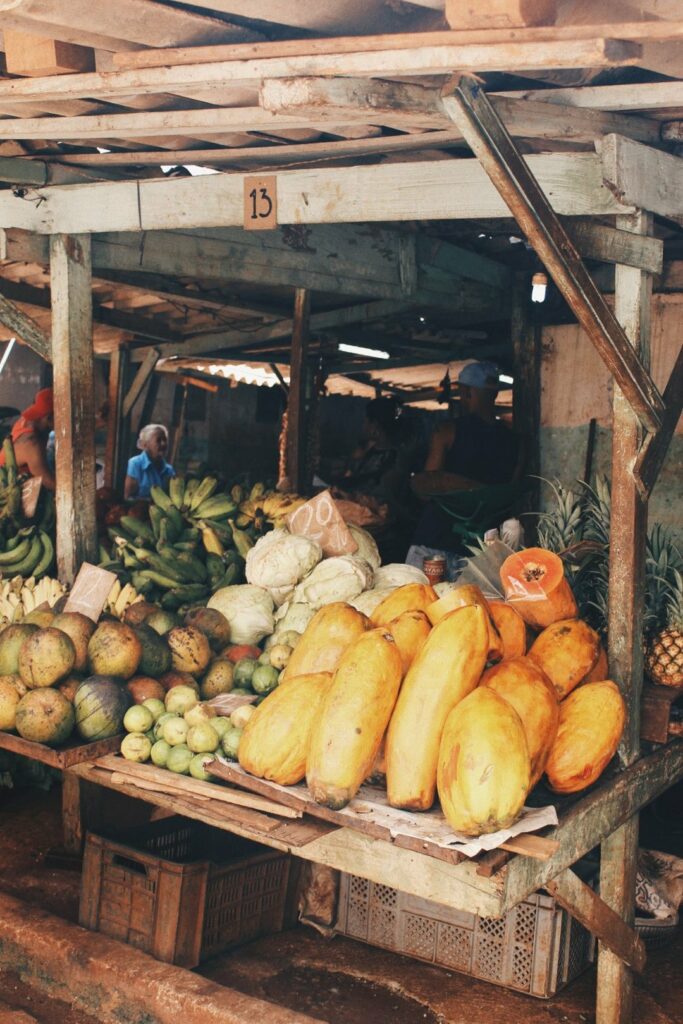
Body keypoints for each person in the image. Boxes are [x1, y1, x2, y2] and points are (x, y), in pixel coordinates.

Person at [407, 361, 524, 577]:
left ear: (467, 392)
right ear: (494, 394)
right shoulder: (514, 442)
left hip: (435, 541)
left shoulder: (447, 431)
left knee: (420, 604)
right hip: (481, 554)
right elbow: (511, 494)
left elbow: (425, 490)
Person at [0, 387, 56, 490]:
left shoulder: (26, 421)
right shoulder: (32, 445)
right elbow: (50, 484)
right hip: (5, 490)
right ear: (49, 418)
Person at [124, 423, 175, 500]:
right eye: (158, 440)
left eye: (165, 440)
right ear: (145, 444)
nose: (163, 443)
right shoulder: (135, 463)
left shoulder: (169, 470)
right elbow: (128, 497)